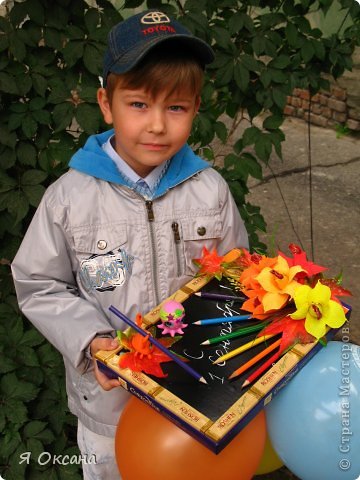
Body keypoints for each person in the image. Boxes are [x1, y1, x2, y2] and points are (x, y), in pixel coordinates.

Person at [11, 9, 249, 479]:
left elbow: (235, 277)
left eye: (176, 107)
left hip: (195, 399)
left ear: (195, 108)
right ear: (106, 103)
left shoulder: (211, 190)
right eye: (139, 104)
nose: (158, 125)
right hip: (110, 410)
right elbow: (38, 283)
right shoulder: (70, 198)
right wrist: (93, 341)